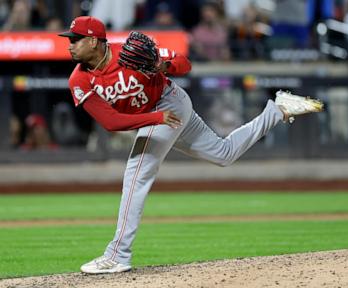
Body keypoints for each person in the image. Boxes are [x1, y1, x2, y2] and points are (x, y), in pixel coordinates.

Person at [59, 16, 323, 274]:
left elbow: (184, 64)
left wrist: (163, 66)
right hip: (158, 115)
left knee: (136, 175)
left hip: (169, 101)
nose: (70, 44)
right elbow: (111, 121)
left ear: (94, 42)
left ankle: (117, 255)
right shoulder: (79, 80)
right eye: (70, 40)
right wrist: (156, 118)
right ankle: (277, 110)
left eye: (76, 40)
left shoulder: (129, 52)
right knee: (223, 154)